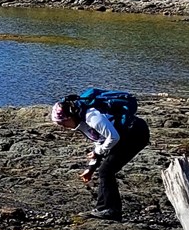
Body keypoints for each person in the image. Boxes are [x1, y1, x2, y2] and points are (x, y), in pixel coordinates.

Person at [50, 91, 150, 220]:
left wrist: (98, 152)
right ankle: (104, 208)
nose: (62, 128)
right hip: (124, 136)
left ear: (69, 117)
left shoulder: (93, 117)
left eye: (62, 123)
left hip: (136, 134)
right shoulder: (82, 122)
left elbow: (113, 137)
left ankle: (111, 210)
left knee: (106, 171)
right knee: (105, 170)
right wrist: (90, 169)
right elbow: (100, 141)